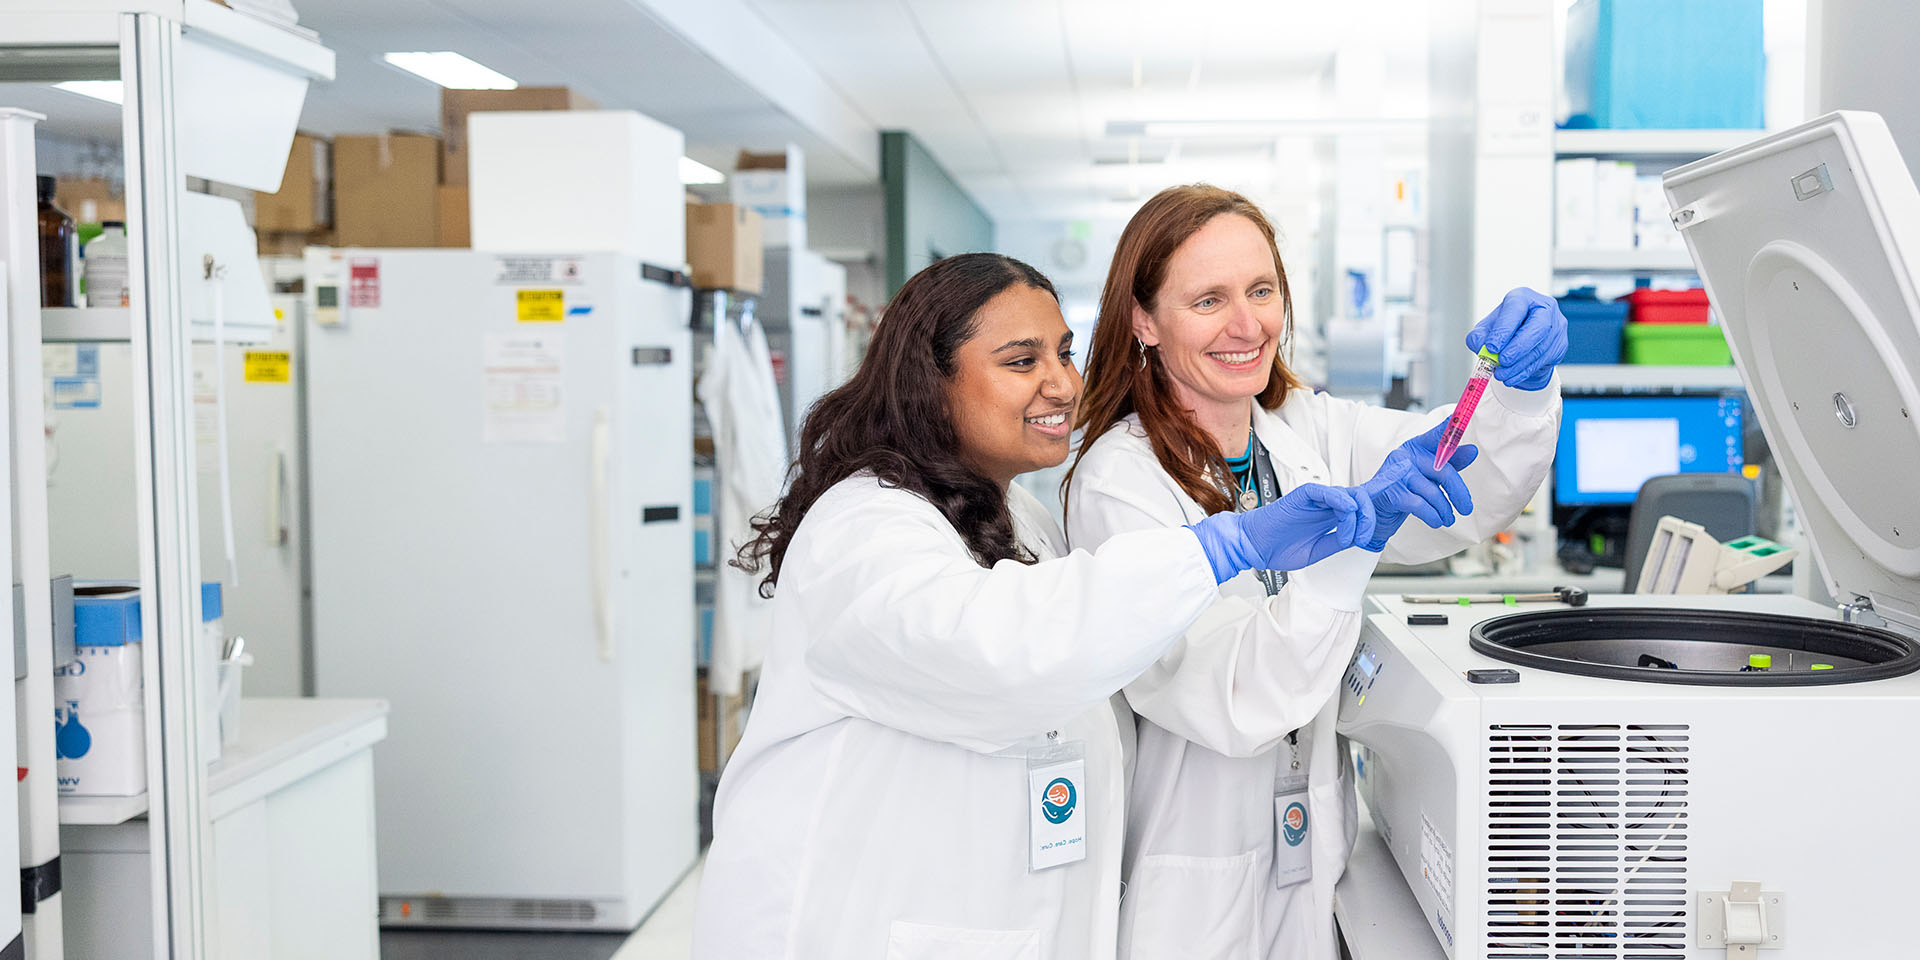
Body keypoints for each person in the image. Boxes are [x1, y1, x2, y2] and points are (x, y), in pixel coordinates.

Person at [689, 252, 1442, 958]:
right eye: (1022, 361)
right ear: (929, 382)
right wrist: (1218, 549)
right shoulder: (861, 529)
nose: (1060, 384)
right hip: (859, 927)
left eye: (1064, 352)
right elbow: (1003, 651)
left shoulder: (1022, 520)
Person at [1063, 185, 1565, 960]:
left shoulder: (1311, 429)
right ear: (1142, 320)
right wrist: (1346, 557)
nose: (1247, 324)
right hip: (1194, 887)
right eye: (1208, 300)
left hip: (1318, 857)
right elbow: (1229, 695)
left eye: (1262, 291)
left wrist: (1518, 397)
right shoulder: (1118, 482)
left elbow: (1465, 487)